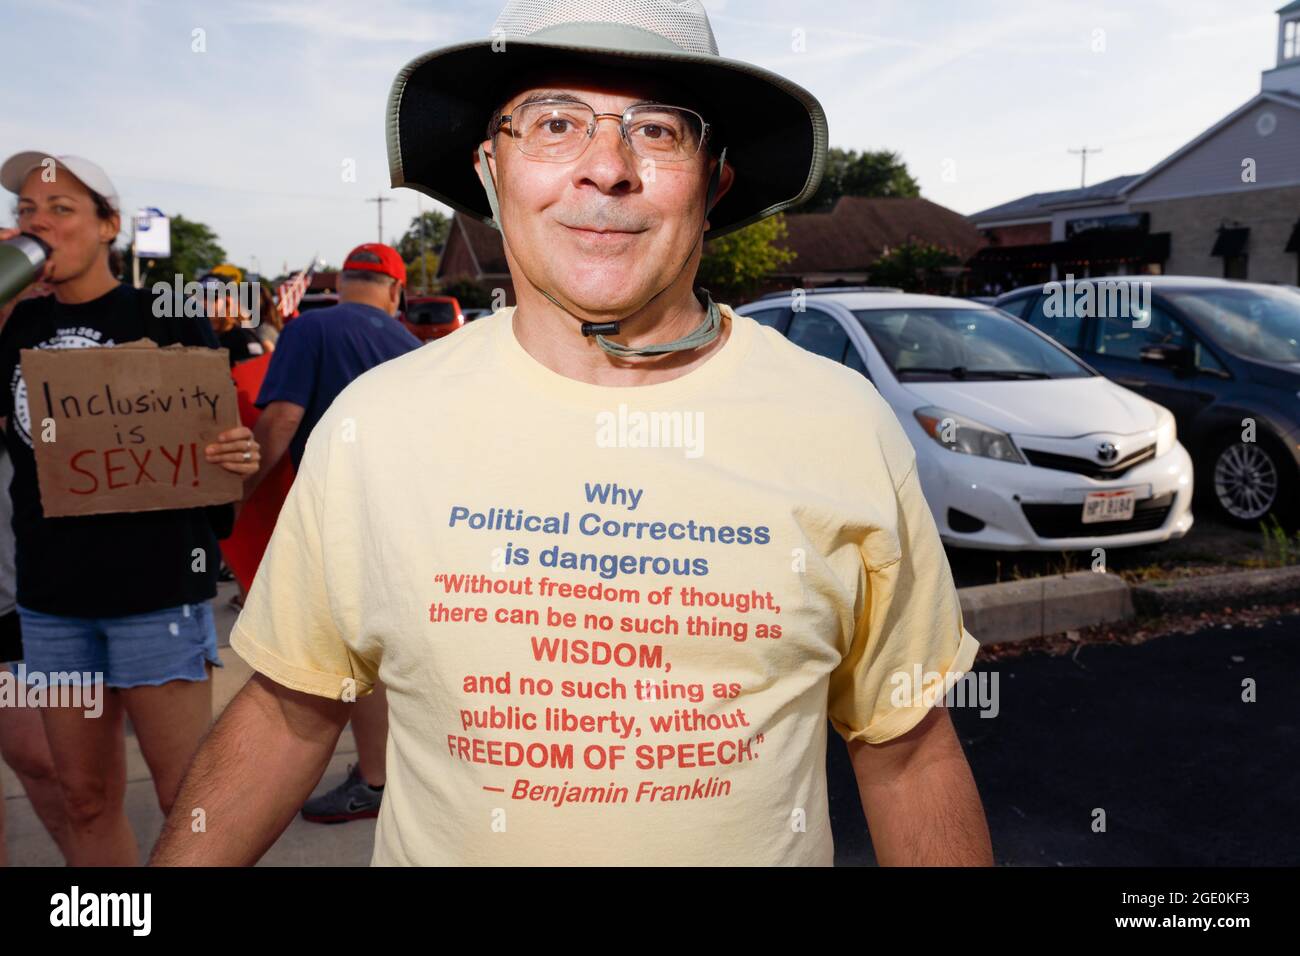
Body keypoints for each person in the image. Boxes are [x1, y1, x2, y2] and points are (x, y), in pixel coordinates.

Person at [153, 0, 992, 867]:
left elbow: (908, 750)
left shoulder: (841, 425)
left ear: (713, 185)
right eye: (554, 122)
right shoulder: (377, 423)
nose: (606, 168)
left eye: (658, 131)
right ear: (490, 170)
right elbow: (291, 708)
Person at [0, 151, 262, 866]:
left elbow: (217, 456)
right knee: (83, 797)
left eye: (59, 209)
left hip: (154, 598)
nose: (37, 223)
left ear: (108, 225)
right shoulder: (13, 330)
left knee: (186, 798)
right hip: (53, 606)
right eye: (25, 210)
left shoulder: (161, 316)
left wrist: (238, 458)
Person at [243, 242, 420, 823]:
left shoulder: (311, 328)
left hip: (344, 517)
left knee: (337, 657)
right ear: (394, 291)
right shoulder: (409, 344)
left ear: (343, 282)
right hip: (404, 515)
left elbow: (282, 419)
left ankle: (374, 778)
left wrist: (235, 501)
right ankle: (383, 773)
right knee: (371, 653)